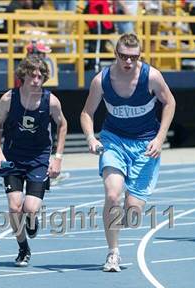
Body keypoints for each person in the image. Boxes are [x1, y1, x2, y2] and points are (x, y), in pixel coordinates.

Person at [80, 33, 176, 272]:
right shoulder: (101, 80)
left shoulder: (151, 77)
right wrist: (91, 137)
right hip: (113, 140)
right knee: (112, 195)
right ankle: (113, 253)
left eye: (134, 57)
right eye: (124, 56)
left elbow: (170, 103)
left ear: (140, 56)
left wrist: (160, 137)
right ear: (116, 54)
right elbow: (86, 112)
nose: (129, 62)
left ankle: (115, 220)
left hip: (145, 146)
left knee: (133, 215)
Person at [0, 56, 67, 267]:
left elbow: (62, 125)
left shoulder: (50, 101)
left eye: (40, 76)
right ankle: (23, 247)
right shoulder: (9, 98)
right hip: (12, 157)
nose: (36, 79)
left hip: (39, 158)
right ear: (23, 74)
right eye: (32, 75)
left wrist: (58, 158)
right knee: (15, 207)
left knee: (30, 208)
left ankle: (32, 219)